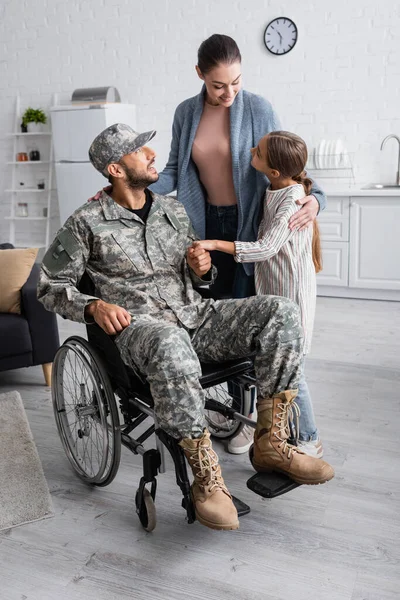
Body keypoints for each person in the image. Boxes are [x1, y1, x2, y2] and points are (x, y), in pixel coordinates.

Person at [38, 124, 334, 532]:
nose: (152, 154)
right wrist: (93, 305)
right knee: (170, 340)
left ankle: (272, 444)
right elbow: (48, 287)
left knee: (280, 312)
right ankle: (204, 477)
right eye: (141, 150)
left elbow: (200, 279)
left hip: (197, 317)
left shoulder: (173, 211)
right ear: (116, 168)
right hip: (141, 330)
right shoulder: (84, 223)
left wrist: (204, 271)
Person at [148, 33, 328, 455]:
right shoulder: (186, 113)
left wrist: (318, 199)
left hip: (247, 230)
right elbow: (175, 171)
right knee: (220, 323)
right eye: (218, 85)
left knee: (256, 327)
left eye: (236, 82)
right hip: (206, 226)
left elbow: (290, 165)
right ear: (200, 75)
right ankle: (239, 419)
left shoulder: (259, 108)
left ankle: (275, 426)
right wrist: (140, 183)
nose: (229, 93)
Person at [192, 131, 324, 458]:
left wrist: (215, 244)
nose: (252, 149)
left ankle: (310, 440)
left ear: (274, 170)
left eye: (259, 151)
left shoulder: (292, 202)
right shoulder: (272, 188)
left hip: (291, 297)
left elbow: (265, 248)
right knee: (265, 361)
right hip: (272, 294)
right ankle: (264, 425)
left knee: (294, 371)